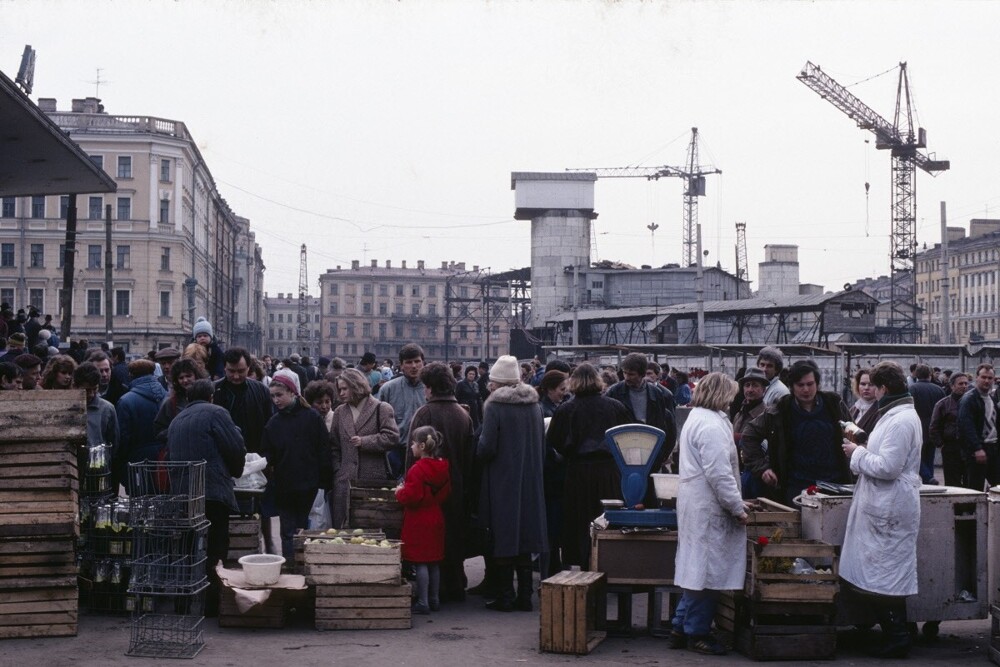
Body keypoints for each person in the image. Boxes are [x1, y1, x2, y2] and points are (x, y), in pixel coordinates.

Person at [841, 361, 921, 658]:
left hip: (890, 505)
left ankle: (898, 638)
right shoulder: (895, 414)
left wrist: (857, 453)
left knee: (886, 574)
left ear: (884, 388)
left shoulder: (900, 420)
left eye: (874, 386)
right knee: (883, 573)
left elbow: (889, 467)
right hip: (884, 504)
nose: (871, 391)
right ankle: (897, 633)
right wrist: (864, 445)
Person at [671, 372, 748, 656]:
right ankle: (697, 632)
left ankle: (680, 626)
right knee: (706, 573)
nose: (732, 400)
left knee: (696, 569)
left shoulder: (699, 417)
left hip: (697, 503)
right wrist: (737, 507)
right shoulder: (711, 425)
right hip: (708, 506)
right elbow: (719, 473)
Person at [166, 378, 247, 617]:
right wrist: (235, 471)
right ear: (211, 396)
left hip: (183, 493)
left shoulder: (176, 420)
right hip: (212, 491)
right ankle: (211, 605)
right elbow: (234, 447)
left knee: (186, 548)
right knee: (215, 547)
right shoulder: (217, 413)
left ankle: (182, 603)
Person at [476, 355, 547, 612]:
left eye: (492, 382)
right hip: (531, 480)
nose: (489, 386)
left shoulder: (495, 407)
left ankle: (506, 596)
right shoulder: (535, 406)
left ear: (498, 383)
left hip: (502, 480)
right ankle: (525, 596)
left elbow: (486, 448)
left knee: (504, 534)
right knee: (525, 536)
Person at [546, 363, 630, 569]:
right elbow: (627, 437)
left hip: (578, 471)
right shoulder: (615, 406)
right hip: (609, 471)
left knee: (579, 521)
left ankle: (584, 564)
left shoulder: (566, 409)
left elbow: (554, 440)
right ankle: (608, 564)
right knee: (607, 519)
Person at [408, 362, 475, 603]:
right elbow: (470, 457)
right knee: (453, 536)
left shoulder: (424, 413)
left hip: (428, 490)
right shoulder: (463, 415)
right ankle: (456, 584)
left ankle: (434, 592)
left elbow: (411, 457)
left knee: (429, 541)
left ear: (430, 387)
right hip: (455, 485)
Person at [742, 359, 852, 505]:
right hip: (796, 488)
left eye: (810, 384)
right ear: (792, 386)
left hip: (835, 485)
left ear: (817, 384)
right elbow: (749, 435)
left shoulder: (833, 404)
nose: (806, 390)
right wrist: (762, 468)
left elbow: (853, 432)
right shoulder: (780, 410)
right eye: (800, 385)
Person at [262, 369, 333, 560]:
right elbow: (268, 454)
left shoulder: (312, 417)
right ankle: (289, 565)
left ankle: (302, 563)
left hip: (308, 485)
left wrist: (324, 482)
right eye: (272, 396)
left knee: (302, 528)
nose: (276, 400)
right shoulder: (273, 423)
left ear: (292, 392)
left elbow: (323, 450)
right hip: (284, 485)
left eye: (279, 395)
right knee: (287, 530)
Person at [330, 368, 400, 528]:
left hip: (373, 478)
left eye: (345, 388)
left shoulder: (381, 408)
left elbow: (392, 437)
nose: (341, 393)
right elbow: (334, 445)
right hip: (344, 481)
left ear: (356, 386)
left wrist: (365, 441)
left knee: (371, 526)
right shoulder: (340, 412)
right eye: (339, 389)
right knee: (343, 527)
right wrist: (338, 469)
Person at [395, 425, 451, 615]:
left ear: (421, 446)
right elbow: (446, 493)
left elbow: (411, 497)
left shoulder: (416, 469)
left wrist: (400, 492)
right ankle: (434, 599)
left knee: (420, 562)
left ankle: (423, 601)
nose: (411, 447)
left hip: (419, 519)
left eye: (413, 443)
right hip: (436, 516)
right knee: (434, 562)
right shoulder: (443, 467)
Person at [605, 352, 676, 483]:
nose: (627, 377)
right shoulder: (613, 393)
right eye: (625, 373)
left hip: (650, 454)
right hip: (622, 455)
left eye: (631, 374)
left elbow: (663, 425)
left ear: (642, 374)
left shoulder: (657, 394)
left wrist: (661, 455)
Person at [115, 359, 168, 490]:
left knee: (140, 498)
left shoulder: (126, 401)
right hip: (165, 459)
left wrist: (121, 466)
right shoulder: (168, 396)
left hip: (138, 462)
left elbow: (123, 438)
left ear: (131, 375)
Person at [377, 344, 426, 478]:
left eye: (417, 361)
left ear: (423, 363)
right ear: (401, 365)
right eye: (409, 362)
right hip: (395, 452)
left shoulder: (431, 389)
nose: (414, 366)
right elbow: (377, 421)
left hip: (424, 452)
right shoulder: (388, 389)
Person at [73, 362, 120, 484]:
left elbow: (114, 441)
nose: (91, 394)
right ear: (76, 386)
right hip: (73, 467)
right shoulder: (69, 407)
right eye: (87, 390)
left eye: (95, 389)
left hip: (98, 469)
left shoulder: (107, 409)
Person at [958, 363, 1000, 491]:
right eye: (983, 377)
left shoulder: (991, 399)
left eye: (990, 378)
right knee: (975, 489)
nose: (986, 381)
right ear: (977, 378)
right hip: (977, 450)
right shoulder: (969, 399)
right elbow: (966, 426)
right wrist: (977, 448)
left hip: (993, 448)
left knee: (997, 487)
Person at [731, 367, 768, 499]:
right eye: (747, 385)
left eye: (755, 385)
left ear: (764, 389)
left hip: (755, 476)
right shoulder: (739, 414)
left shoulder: (767, 416)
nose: (750, 389)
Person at [929, 372, 970, 487]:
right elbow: (934, 427)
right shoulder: (943, 404)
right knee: (952, 484)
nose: (964, 386)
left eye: (966, 383)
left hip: (968, 448)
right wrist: (941, 445)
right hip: (951, 449)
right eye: (960, 384)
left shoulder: (972, 403)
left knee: (970, 483)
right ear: (952, 386)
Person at [153, 358, 208, 441]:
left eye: (188, 376)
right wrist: (178, 431)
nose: (185, 380)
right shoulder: (171, 403)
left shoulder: (209, 396)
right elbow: (159, 430)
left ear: (196, 376)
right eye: (181, 378)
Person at [910, 363, 945, 483]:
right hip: (934, 428)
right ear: (930, 374)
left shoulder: (912, 389)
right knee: (930, 456)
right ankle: (930, 480)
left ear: (916, 374)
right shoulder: (939, 389)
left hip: (918, 426)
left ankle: (927, 477)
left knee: (915, 456)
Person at [849, 368, 881, 436]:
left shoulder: (881, 410)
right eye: (863, 384)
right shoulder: (854, 409)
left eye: (871, 384)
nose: (866, 388)